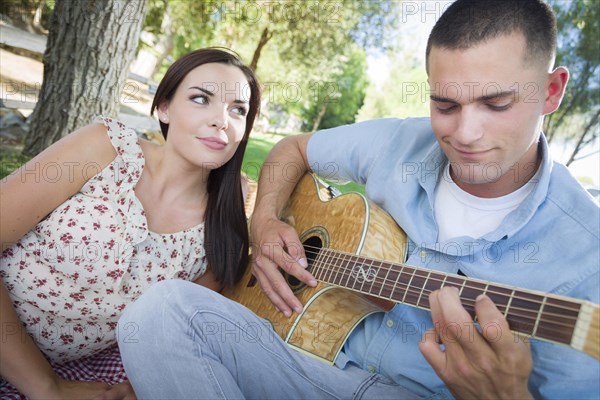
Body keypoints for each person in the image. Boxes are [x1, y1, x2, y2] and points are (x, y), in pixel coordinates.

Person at [117, 1, 599, 399]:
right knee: (159, 312)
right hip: (307, 359)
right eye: (445, 105)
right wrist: (264, 222)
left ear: (551, 91)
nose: (466, 133)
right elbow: (293, 149)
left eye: (497, 104)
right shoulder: (397, 143)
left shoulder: (586, 256)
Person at [0, 48, 261, 399]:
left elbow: (174, 331)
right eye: (201, 99)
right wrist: (47, 387)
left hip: (78, 369)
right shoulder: (105, 149)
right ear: (164, 108)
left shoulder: (221, 228)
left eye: (238, 111)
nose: (222, 121)